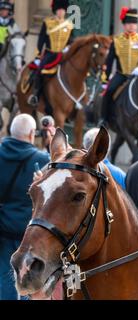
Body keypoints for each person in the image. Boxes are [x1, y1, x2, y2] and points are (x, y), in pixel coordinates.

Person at [0, 114, 51, 300]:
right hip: (27, 233)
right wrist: (51, 142)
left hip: (3, 229)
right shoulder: (42, 159)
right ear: (31, 134)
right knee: (29, 279)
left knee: (4, 277)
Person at [98, 7, 138, 127]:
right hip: (121, 74)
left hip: (137, 75)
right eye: (128, 23)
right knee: (109, 91)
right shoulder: (116, 41)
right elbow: (109, 61)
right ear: (124, 25)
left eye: (133, 23)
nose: (131, 26)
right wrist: (105, 79)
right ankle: (104, 118)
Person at [28, 0, 74, 106]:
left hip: (63, 55)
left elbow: (71, 40)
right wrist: (39, 55)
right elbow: (41, 40)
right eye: (59, 10)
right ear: (55, 10)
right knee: (39, 71)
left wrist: (68, 48)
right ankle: (36, 95)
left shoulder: (69, 25)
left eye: (62, 10)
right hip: (50, 53)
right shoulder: (47, 23)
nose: (61, 12)